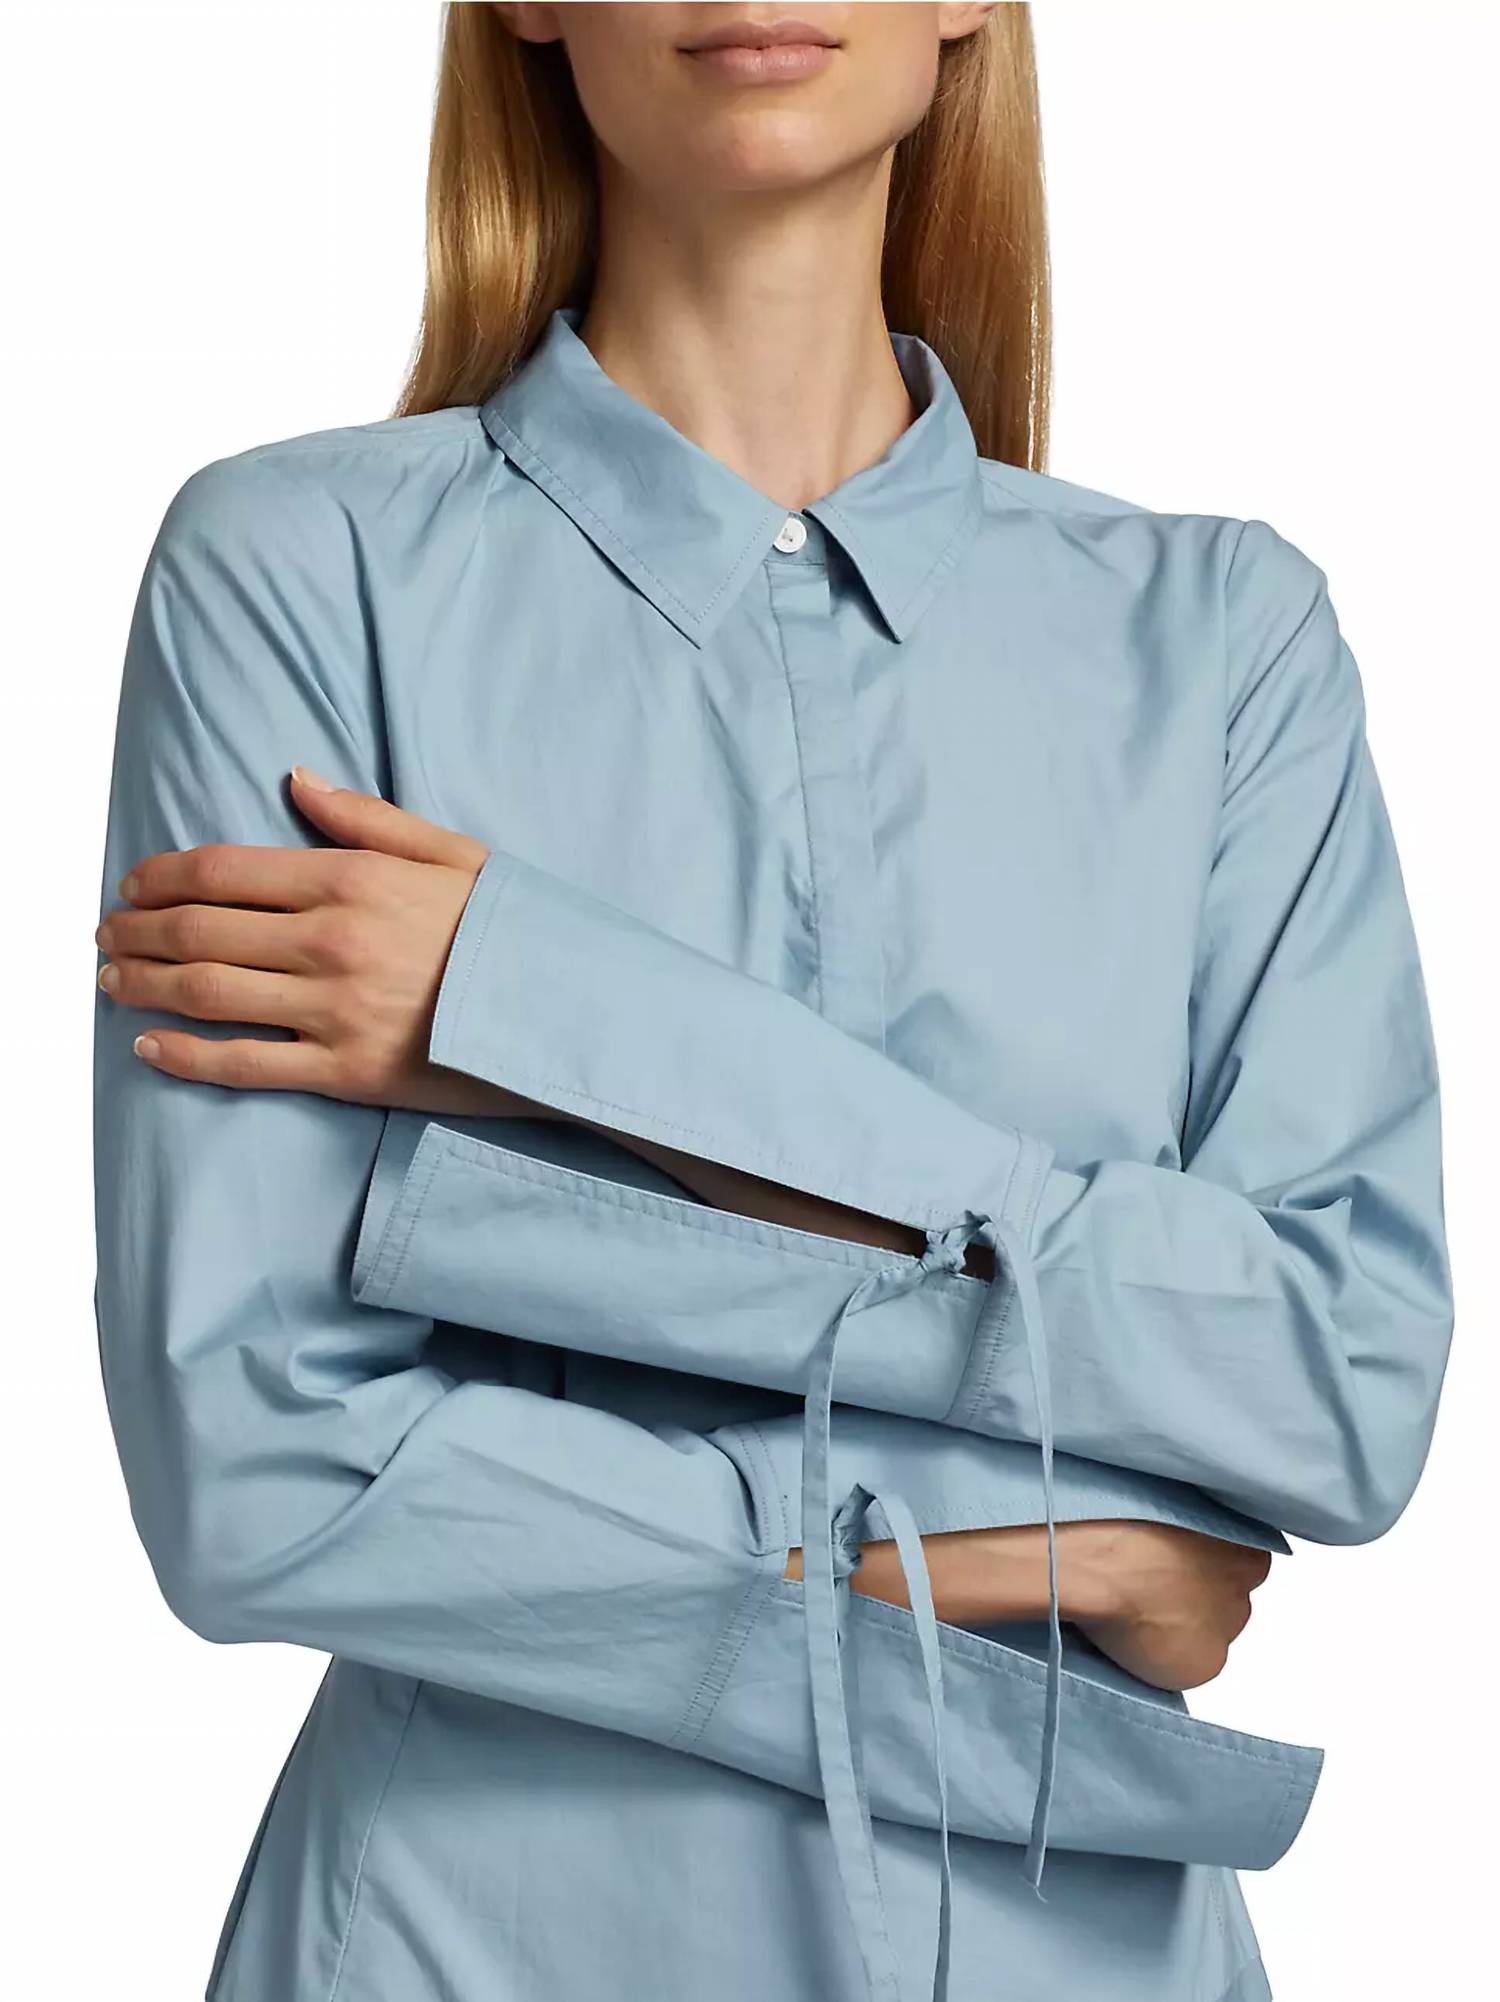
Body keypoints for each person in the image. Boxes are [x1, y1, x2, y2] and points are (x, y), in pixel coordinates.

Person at [90, 7, 1453, 2000]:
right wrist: (987, 1563)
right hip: (470, 1947)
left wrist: (535, 1014)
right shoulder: (300, 575)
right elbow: (257, 1470)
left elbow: (1339, 1376)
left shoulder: (1227, 643)